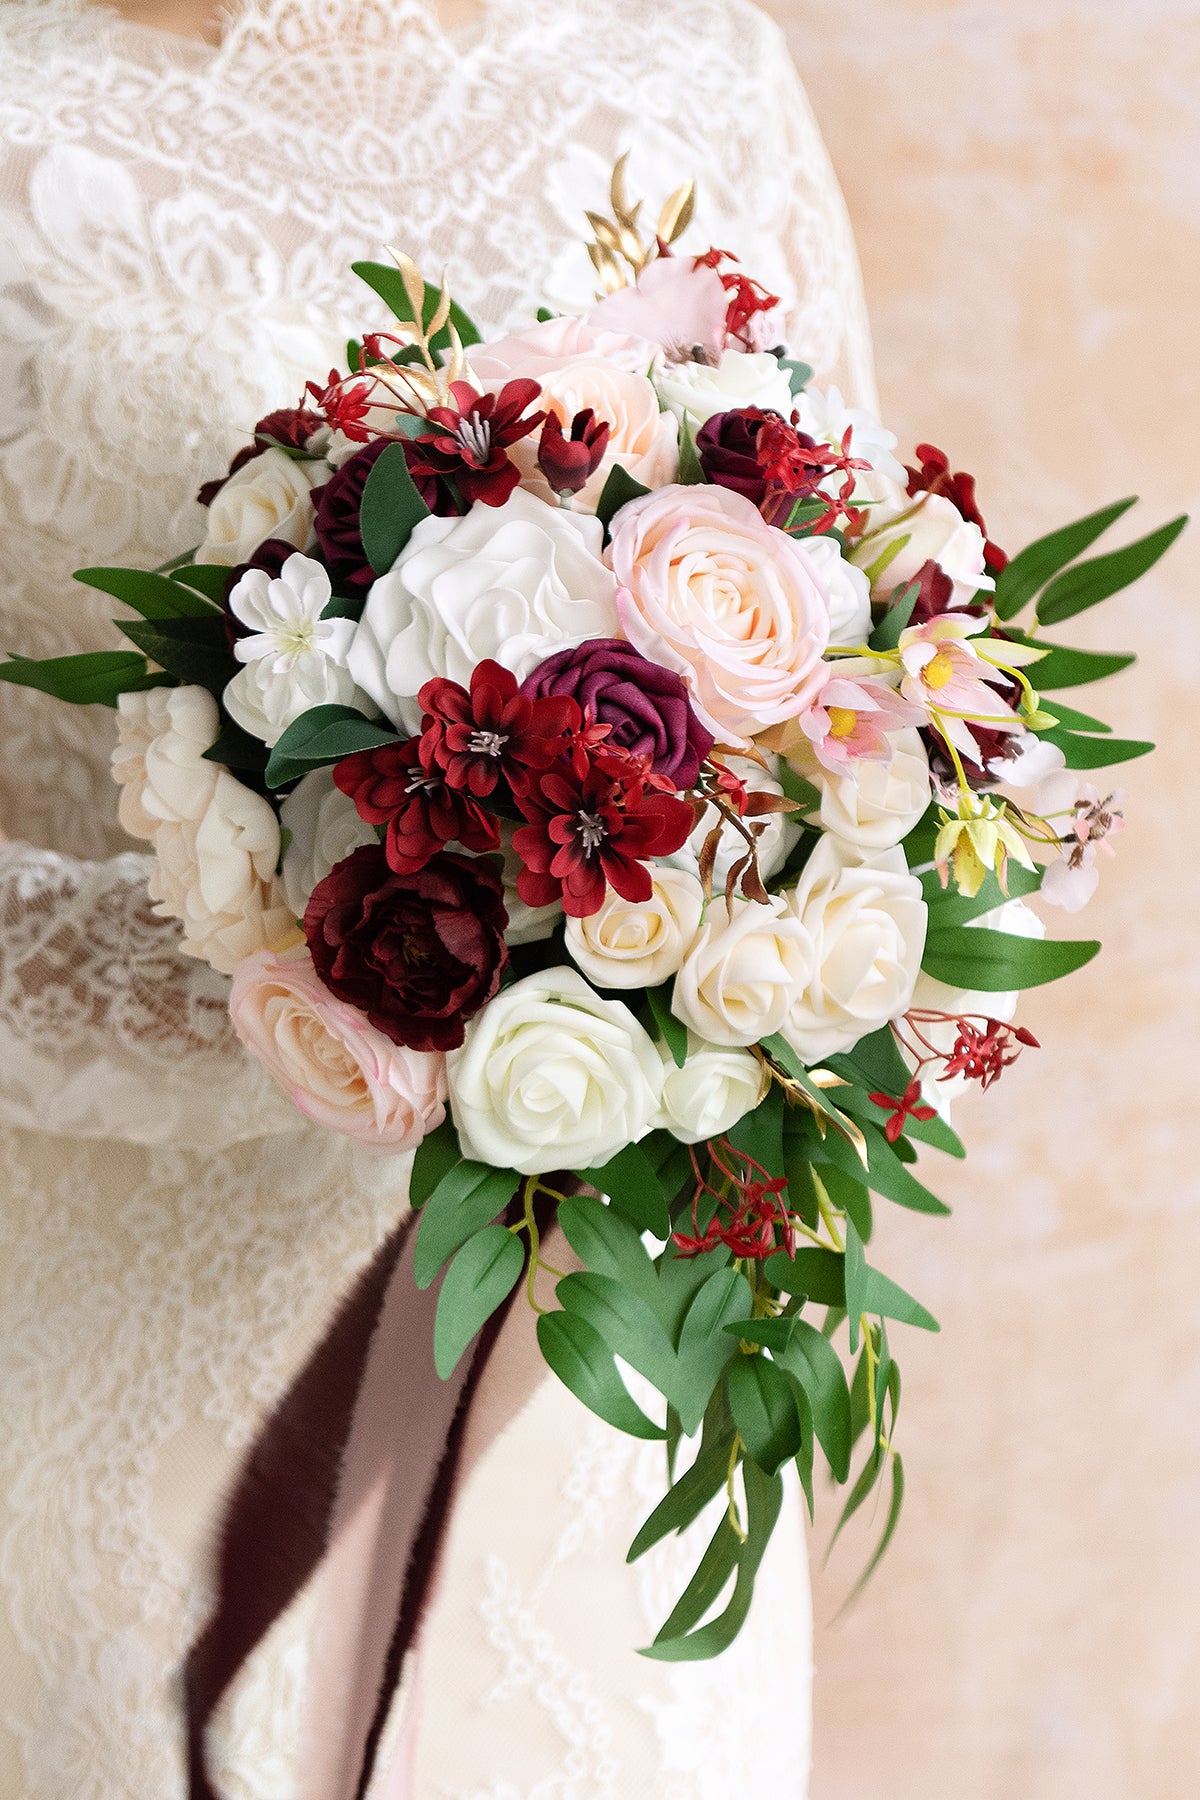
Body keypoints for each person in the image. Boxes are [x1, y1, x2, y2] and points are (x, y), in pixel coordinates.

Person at [0, 1, 875, 1792]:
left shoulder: (697, 58)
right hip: (111, 1385)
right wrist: (310, 961)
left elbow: (870, 672)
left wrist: (730, 945)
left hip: (613, 1377)